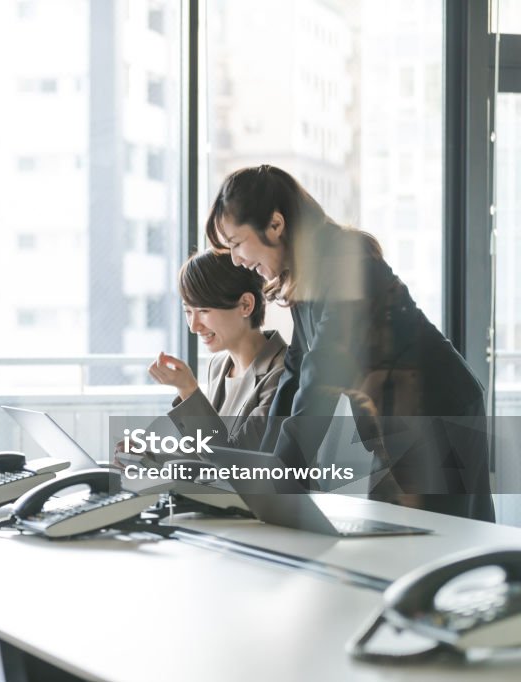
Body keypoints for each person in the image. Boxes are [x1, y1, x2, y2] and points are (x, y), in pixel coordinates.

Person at [206, 164, 494, 521]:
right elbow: (294, 374)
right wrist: (263, 472)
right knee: (398, 540)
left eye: (236, 243)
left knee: (435, 544)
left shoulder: (345, 258)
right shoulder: (304, 276)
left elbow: (322, 375)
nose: (237, 259)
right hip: (400, 423)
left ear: (276, 224)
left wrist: (277, 476)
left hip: (438, 413)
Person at [149, 250, 287, 450]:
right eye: (188, 311)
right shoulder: (219, 365)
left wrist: (188, 391)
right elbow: (206, 450)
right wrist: (149, 455)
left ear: (246, 305)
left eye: (204, 311)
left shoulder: (284, 373)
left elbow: (239, 464)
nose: (194, 326)